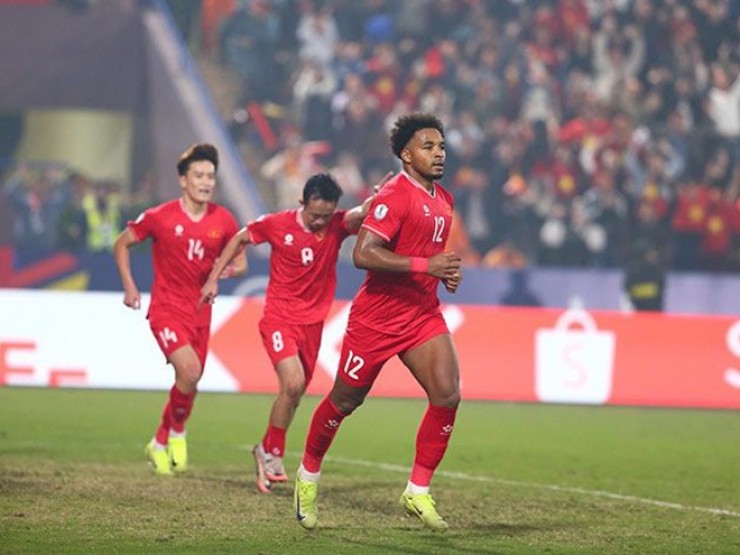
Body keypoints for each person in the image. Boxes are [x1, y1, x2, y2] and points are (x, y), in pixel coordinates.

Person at [293, 113, 462, 533]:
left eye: (441, 146)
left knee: (447, 394)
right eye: (428, 146)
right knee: (345, 400)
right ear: (406, 155)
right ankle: (307, 476)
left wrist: (444, 273)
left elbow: (429, 256)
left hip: (421, 314)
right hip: (378, 318)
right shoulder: (395, 195)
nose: (438, 153)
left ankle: (417, 491)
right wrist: (426, 265)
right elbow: (363, 254)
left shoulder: (444, 199)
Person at [199, 170, 391, 493]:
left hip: (313, 325)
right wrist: (213, 278)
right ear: (302, 202)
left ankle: (265, 448)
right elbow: (241, 238)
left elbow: (362, 213)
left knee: (295, 393)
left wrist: (380, 196)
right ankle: (273, 454)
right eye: (315, 215)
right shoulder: (277, 224)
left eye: (326, 216)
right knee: (292, 383)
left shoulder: (337, 224)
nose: (320, 222)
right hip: (279, 318)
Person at [113, 143, 246, 476]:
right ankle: (175, 433)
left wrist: (224, 273)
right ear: (183, 180)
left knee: (191, 378)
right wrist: (130, 286)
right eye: (199, 175)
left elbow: (241, 263)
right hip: (167, 310)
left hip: (201, 313)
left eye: (210, 176)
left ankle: (160, 439)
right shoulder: (160, 216)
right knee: (189, 370)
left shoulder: (224, 220)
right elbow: (122, 243)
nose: (205, 182)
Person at [623, 239, 665, 312]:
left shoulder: (657, 271)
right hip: (636, 311)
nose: (654, 256)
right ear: (643, 255)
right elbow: (627, 291)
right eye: (650, 254)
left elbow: (660, 293)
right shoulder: (633, 272)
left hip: (654, 312)